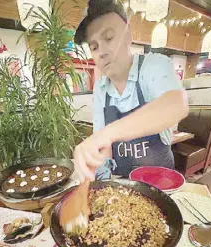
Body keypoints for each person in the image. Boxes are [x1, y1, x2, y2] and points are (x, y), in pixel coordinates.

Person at [73, 0, 189, 183]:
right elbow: (103, 149)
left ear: (128, 36)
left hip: (160, 183)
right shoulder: (101, 88)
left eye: (109, 38)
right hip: (121, 183)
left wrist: (107, 133)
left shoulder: (154, 65)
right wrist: (96, 177)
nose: (101, 51)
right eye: (94, 47)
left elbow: (176, 104)